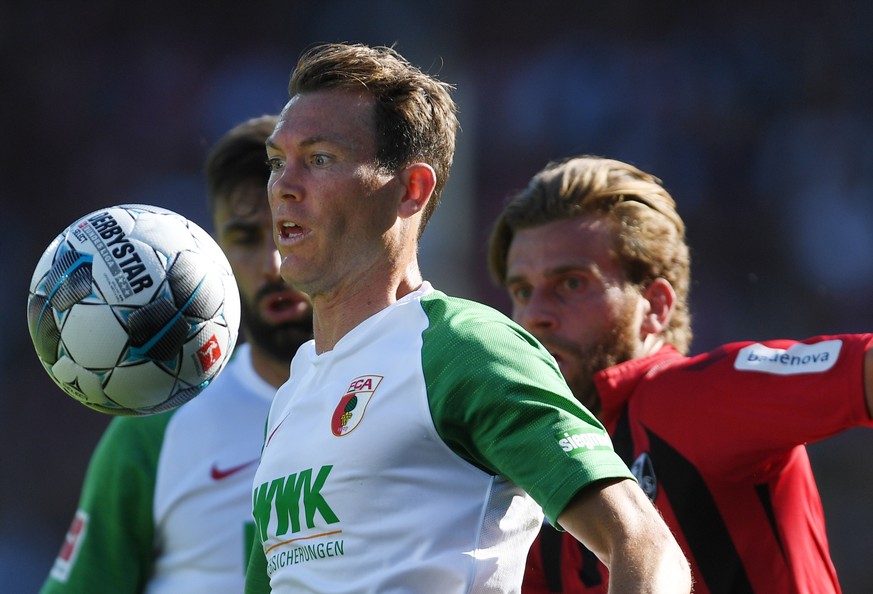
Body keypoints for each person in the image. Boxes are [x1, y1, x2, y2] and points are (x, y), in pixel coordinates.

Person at [244, 42, 691, 594]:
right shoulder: (291, 396)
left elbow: (644, 547)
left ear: (412, 189)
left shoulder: (461, 347)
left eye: (320, 159)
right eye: (275, 162)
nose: (284, 186)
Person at [487, 155, 873, 594]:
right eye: (522, 290)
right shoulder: (531, 476)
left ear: (654, 306)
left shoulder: (699, 398)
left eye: (572, 283)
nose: (534, 315)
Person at [39, 115, 313, 594]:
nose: (272, 264)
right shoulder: (155, 429)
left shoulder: (407, 396)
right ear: (214, 256)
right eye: (246, 239)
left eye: (288, 231)